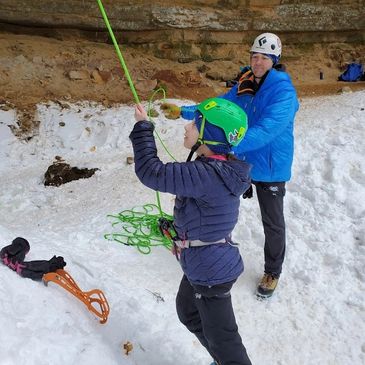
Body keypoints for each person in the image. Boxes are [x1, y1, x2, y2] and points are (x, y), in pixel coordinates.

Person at [161, 32, 299, 299]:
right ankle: (207, 244)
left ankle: (273, 270)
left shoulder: (283, 92)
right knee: (218, 201)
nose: (257, 63)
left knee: (272, 221)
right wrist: (185, 112)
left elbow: (266, 130)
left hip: (270, 165)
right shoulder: (245, 82)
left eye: (264, 58)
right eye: (254, 57)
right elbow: (218, 107)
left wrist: (225, 145)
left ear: (275, 60)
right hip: (244, 160)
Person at [130, 97, 252, 365]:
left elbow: (152, 172)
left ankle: (226, 360)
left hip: (211, 270)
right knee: (188, 311)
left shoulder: (207, 174)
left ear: (210, 135)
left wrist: (143, 128)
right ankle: (222, 359)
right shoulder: (216, 169)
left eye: (196, 124)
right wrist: (176, 229)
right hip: (205, 263)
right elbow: (206, 215)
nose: (187, 127)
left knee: (224, 338)